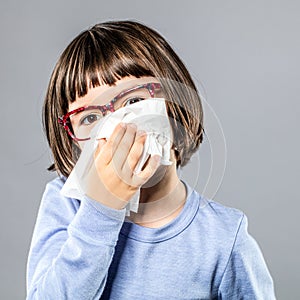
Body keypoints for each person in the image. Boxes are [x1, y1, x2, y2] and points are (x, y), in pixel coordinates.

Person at [26, 20, 276, 299]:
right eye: (91, 117)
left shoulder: (224, 236)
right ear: (71, 136)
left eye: (133, 102)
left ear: (172, 100)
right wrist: (101, 208)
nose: (118, 128)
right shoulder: (65, 204)